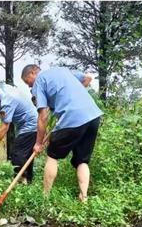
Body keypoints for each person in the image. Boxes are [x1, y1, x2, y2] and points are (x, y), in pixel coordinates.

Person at [21, 64, 103, 199]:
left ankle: (45, 197)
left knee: (52, 156)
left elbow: (43, 116)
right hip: (93, 116)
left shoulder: (39, 82)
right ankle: (84, 198)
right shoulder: (63, 70)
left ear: (33, 72)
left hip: (72, 117)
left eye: (27, 82)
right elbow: (87, 79)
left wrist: (38, 143)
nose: (29, 86)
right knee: (82, 160)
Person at [0, 83, 38, 183]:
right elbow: (5, 108)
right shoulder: (4, 89)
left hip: (30, 125)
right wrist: (0, 112)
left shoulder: (7, 100)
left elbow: (5, 127)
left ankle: (21, 181)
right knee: (26, 154)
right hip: (31, 123)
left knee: (17, 153)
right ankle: (28, 181)